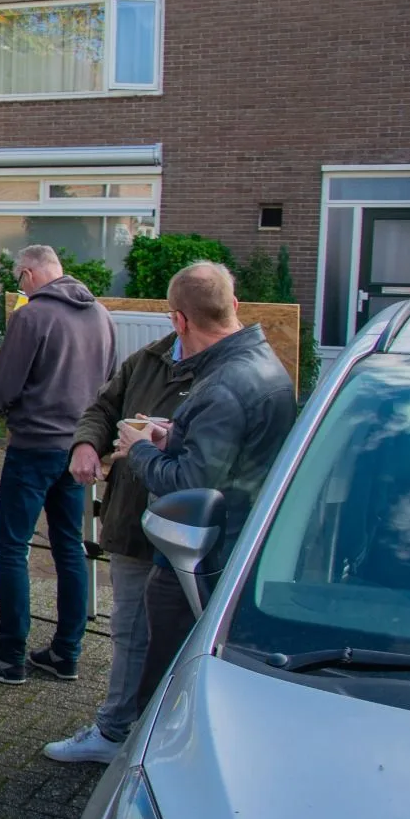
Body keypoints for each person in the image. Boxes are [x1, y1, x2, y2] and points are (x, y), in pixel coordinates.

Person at [116, 261, 296, 710]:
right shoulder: (262, 363)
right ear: (233, 305)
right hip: (237, 545)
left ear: (178, 320)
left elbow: (190, 487)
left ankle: (137, 748)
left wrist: (139, 449)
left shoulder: (223, 385)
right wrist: (172, 435)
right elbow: (229, 452)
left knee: (165, 679)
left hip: (200, 559)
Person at [0, 245, 115, 685]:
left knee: (11, 547)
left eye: (18, 279)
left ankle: (10, 654)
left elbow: (5, 385)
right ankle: (66, 652)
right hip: (79, 446)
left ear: (28, 274)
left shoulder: (31, 316)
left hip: (34, 444)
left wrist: (1, 406)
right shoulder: (101, 315)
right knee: (70, 548)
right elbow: (111, 383)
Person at [42, 331, 194, 764]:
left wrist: (156, 442)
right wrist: (86, 443)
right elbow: (103, 407)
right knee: (129, 626)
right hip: (132, 517)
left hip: (188, 527)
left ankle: (156, 730)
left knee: (179, 635)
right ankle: (115, 729)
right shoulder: (150, 357)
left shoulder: (228, 373)